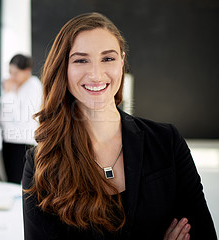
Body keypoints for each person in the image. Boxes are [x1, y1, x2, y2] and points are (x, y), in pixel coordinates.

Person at [22, 12, 217, 240]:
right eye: (81, 60)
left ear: (122, 62)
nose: (96, 74)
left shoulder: (167, 141)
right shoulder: (41, 164)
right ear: (63, 68)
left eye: (108, 58)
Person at [0, 54, 42, 184]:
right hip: (9, 140)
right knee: (10, 181)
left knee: (20, 184)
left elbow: (21, 118)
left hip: (23, 143)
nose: (11, 77)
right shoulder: (15, 85)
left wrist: (9, 93)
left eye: (15, 73)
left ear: (27, 71)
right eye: (10, 72)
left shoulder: (33, 86)